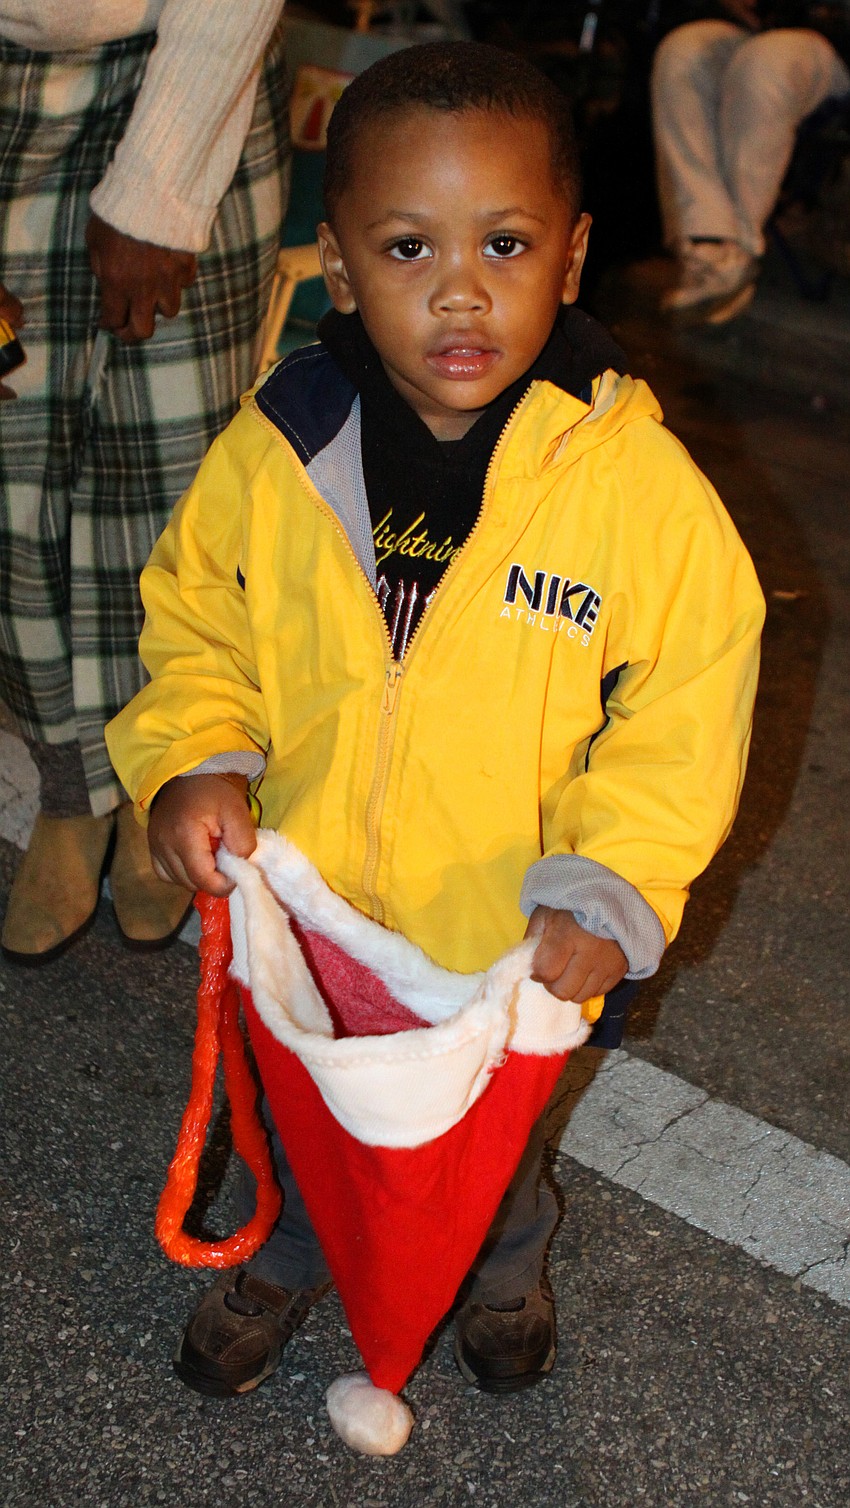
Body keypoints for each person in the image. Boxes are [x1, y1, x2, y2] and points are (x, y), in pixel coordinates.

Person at [106, 41, 765, 1399]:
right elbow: (195, 613)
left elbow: (689, 691)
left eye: (505, 242)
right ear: (339, 268)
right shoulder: (282, 447)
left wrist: (612, 885)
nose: (459, 287)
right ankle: (288, 1252)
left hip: (497, 936)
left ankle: (505, 1261)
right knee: (297, 1110)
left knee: (485, 1147)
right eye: (406, 248)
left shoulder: (625, 480)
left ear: (570, 260)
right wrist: (195, 754)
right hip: (312, 901)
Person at [0, 1, 289, 963]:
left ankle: (162, 777)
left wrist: (162, 191)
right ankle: (74, 791)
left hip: (200, 59)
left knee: (175, 474)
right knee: (13, 471)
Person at [652, 1, 850, 323]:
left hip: (834, 46)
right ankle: (708, 247)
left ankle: (737, 249)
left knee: (766, 64)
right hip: (766, 29)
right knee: (682, 53)